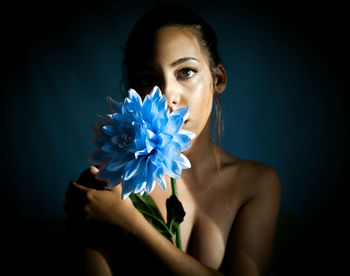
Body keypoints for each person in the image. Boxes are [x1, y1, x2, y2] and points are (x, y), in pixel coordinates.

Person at [64, 3, 281, 276]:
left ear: (218, 79)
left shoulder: (257, 184)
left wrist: (131, 222)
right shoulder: (105, 186)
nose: (168, 95)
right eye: (147, 79)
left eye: (186, 72)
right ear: (133, 92)